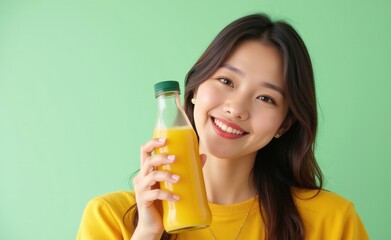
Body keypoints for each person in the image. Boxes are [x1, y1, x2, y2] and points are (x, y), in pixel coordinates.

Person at [77, 13, 369, 240]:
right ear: (193, 90)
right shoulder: (112, 218)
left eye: (266, 98)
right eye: (226, 81)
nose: (236, 108)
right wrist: (146, 234)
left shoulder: (332, 221)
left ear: (285, 123)